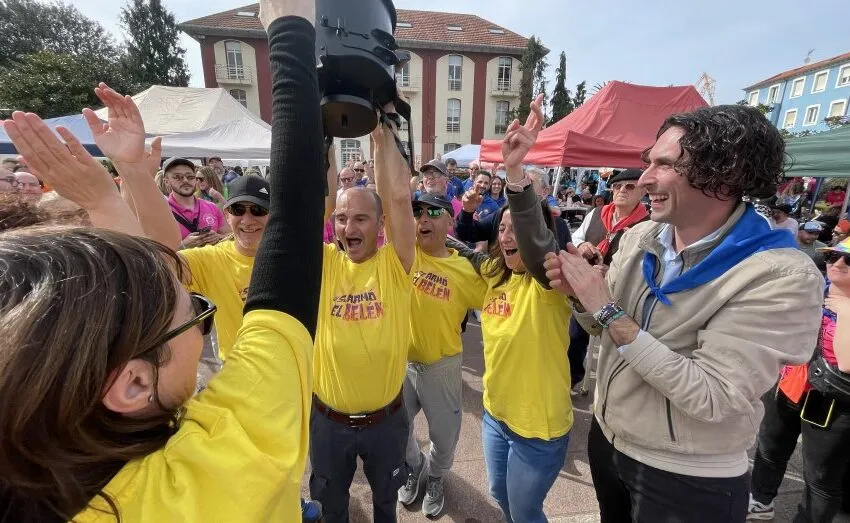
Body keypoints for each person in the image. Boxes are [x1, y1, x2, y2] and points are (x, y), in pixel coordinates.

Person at [0, 0, 324, 518]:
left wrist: (114, 193)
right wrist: (290, 33)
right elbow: (297, 213)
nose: (246, 219)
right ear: (132, 382)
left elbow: (150, 271)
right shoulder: (215, 465)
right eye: (195, 310)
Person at [542, 104, 824, 522]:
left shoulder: (781, 275)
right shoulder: (641, 237)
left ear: (725, 175)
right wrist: (581, 298)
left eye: (665, 164)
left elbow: (714, 397)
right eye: (648, 163)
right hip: (608, 441)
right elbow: (604, 333)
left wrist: (603, 306)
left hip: (686, 474)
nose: (645, 179)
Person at [449, 94, 574, 523]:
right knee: (500, 495)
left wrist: (515, 173)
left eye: (515, 228)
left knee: (524, 512)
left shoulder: (551, 281)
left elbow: (537, 243)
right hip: (495, 415)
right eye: (500, 227)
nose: (506, 236)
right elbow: (459, 244)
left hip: (537, 429)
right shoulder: (493, 274)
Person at [309, 102, 417, 523]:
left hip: (386, 422)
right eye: (340, 219)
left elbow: (399, 197)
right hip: (328, 423)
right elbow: (311, 202)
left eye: (360, 219)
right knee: (332, 508)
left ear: (381, 225)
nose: (348, 229)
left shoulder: (396, 263)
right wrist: (323, 136)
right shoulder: (324, 263)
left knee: (386, 506)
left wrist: (384, 133)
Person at [398, 193, 488, 517]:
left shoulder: (465, 269)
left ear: (449, 221)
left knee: (444, 435)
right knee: (399, 428)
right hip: (402, 364)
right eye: (417, 211)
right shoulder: (402, 254)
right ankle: (414, 465)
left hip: (442, 366)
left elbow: (499, 298)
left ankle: (435, 477)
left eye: (433, 211)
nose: (423, 217)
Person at [748, 238, 850, 522]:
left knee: (820, 477)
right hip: (791, 384)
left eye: (849, 260)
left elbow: (847, 362)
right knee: (769, 449)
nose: (837, 264)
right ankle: (760, 501)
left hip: (832, 402)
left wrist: (845, 310)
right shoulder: (815, 290)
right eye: (832, 257)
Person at [567, 168, 649, 386]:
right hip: (587, 287)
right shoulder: (596, 213)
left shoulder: (648, 224)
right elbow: (576, 236)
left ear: (642, 191)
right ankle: (571, 378)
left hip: (621, 294)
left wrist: (612, 273)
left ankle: (610, 388)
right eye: (617, 186)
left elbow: (645, 265)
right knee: (575, 336)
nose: (622, 190)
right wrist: (582, 245)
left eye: (630, 186)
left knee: (614, 344)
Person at [163, 157, 230, 247]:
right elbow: (155, 252)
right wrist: (183, 246)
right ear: (166, 181)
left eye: (190, 177)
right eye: (178, 177)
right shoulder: (161, 212)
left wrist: (219, 237)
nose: (185, 180)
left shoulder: (212, 207)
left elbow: (231, 236)